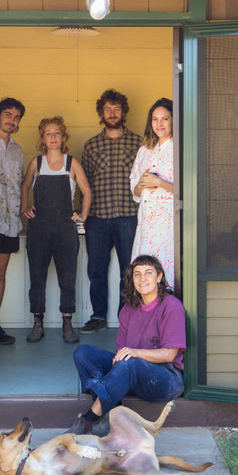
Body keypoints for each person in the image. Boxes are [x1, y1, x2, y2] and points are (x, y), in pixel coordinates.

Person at [70, 254, 185, 434]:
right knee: (83, 353)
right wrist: (124, 363)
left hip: (165, 378)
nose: (142, 278)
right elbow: (121, 352)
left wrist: (136, 353)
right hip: (132, 372)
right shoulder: (128, 309)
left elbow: (169, 354)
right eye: (137, 274)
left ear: (159, 277)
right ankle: (112, 406)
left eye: (148, 273)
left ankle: (90, 419)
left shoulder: (171, 306)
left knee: (129, 361)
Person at [21, 116, 92, 344]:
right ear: (43, 138)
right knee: (37, 276)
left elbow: (87, 191)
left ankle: (67, 324)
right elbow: (24, 186)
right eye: (48, 133)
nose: (53, 137)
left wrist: (83, 216)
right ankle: (37, 323)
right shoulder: (36, 163)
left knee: (67, 277)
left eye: (57, 133)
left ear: (64, 137)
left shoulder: (72, 163)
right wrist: (25, 208)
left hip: (65, 228)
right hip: (39, 228)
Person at [80, 89, 143, 333]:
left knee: (130, 270)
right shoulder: (92, 145)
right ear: (101, 112)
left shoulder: (138, 143)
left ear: (123, 112)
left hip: (129, 215)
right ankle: (97, 317)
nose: (112, 113)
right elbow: (83, 185)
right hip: (97, 217)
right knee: (96, 269)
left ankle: (126, 318)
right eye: (107, 109)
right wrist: (82, 215)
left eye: (116, 109)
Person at [0, 97, 26, 345]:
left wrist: (21, 212)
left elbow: (19, 183)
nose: (12, 120)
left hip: (9, 221)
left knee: (0, 273)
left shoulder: (17, 149)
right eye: (8, 114)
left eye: (17, 117)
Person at [130, 98, 175, 288]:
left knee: (166, 272)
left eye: (165, 119)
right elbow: (134, 189)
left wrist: (159, 182)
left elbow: (190, 189)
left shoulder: (180, 149)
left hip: (169, 224)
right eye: (155, 119)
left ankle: (167, 314)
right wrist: (141, 185)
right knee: (145, 274)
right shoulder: (144, 150)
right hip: (146, 224)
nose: (159, 124)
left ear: (174, 120)